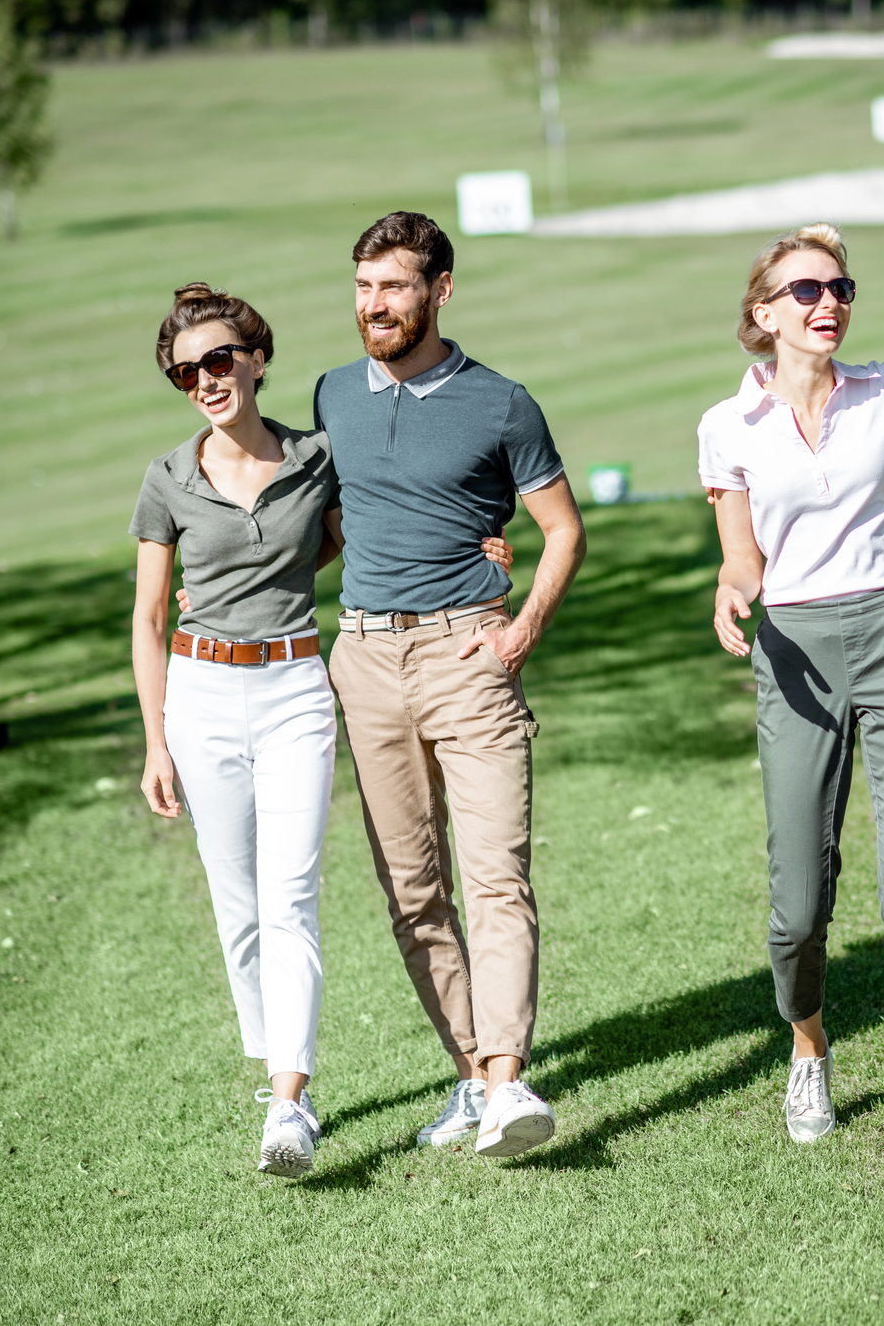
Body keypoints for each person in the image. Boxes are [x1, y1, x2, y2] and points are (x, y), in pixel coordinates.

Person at [133, 284, 512, 1180]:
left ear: (257, 359)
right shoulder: (167, 478)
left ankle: (289, 1102)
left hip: (300, 685)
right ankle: (275, 1067)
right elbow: (150, 616)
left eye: (220, 360)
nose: (207, 380)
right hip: (199, 694)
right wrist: (156, 740)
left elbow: (373, 531)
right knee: (239, 906)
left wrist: (480, 547)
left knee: (291, 892)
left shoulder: (315, 457)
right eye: (188, 372)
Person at [701, 225, 884, 1184]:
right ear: (763, 315)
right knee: (798, 904)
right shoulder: (726, 424)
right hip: (793, 648)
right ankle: (809, 1046)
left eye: (839, 287)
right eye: (804, 291)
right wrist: (732, 586)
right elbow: (739, 549)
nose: (827, 303)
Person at [316, 212, 586, 1160]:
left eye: (392, 286)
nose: (373, 305)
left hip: (470, 658)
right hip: (364, 661)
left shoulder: (501, 403)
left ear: (440, 289)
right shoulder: (332, 394)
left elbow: (563, 529)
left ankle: (509, 1083)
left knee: (496, 878)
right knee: (411, 891)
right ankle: (471, 1077)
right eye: (362, 287)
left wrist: (517, 631)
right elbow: (338, 523)